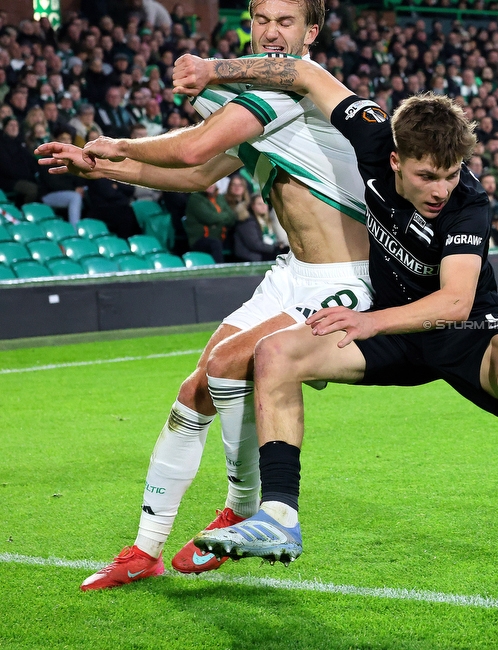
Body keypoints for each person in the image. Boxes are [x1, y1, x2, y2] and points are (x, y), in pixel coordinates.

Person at [175, 54, 498, 606]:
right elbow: (307, 74)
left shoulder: (469, 204)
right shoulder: (373, 137)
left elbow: (455, 302)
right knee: (275, 354)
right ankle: (279, 515)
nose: (441, 189)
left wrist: (367, 321)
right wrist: (214, 69)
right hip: (393, 332)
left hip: (465, 330)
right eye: (427, 176)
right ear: (396, 159)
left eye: (451, 174)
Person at [37, 0, 372, 591]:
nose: (272, 32)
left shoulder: (294, 90)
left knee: (225, 365)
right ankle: (145, 550)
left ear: (311, 32)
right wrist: (101, 166)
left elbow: (192, 149)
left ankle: (243, 510)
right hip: (292, 273)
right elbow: (197, 174)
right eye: (262, 20)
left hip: (343, 279)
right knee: (194, 390)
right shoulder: (258, 102)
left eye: (286, 22)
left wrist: (114, 145)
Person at [184, 182, 235, 262]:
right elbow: (210, 218)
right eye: (207, 182)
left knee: (238, 235)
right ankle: (219, 268)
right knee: (215, 243)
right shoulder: (195, 199)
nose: (210, 185)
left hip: (221, 237)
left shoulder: (219, 197)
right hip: (200, 239)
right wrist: (224, 217)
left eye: (212, 182)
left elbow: (231, 217)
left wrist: (218, 219)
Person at [235, 194, 285, 261]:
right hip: (253, 259)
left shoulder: (270, 220)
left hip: (267, 255)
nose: (263, 206)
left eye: (265, 203)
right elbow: (254, 244)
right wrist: (276, 247)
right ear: (253, 206)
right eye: (259, 204)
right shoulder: (247, 222)